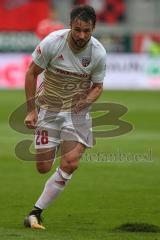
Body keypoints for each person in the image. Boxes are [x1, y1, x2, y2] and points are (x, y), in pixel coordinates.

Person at [24, 5, 106, 229]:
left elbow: (98, 86)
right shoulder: (53, 42)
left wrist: (87, 101)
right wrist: (31, 110)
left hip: (76, 114)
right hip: (48, 109)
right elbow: (31, 73)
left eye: (87, 31)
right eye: (78, 30)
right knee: (43, 167)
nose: (82, 36)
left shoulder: (98, 52)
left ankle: (36, 212)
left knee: (70, 163)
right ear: (70, 25)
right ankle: (60, 141)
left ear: (93, 28)